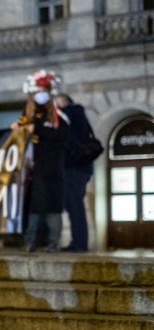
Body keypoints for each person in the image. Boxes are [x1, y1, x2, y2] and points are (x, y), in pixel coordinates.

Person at [12, 70, 69, 252]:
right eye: (37, 91)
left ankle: (53, 243)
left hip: (53, 170)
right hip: (33, 170)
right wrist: (18, 130)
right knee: (35, 207)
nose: (40, 95)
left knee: (53, 208)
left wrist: (35, 129)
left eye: (43, 90)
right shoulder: (27, 114)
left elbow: (61, 135)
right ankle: (31, 242)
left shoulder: (58, 116)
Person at [55, 94, 94, 252]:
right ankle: (77, 241)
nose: (54, 106)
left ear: (65, 102)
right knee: (72, 205)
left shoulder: (74, 111)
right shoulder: (71, 116)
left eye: (57, 101)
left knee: (75, 205)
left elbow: (68, 130)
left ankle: (79, 243)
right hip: (76, 168)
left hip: (75, 168)